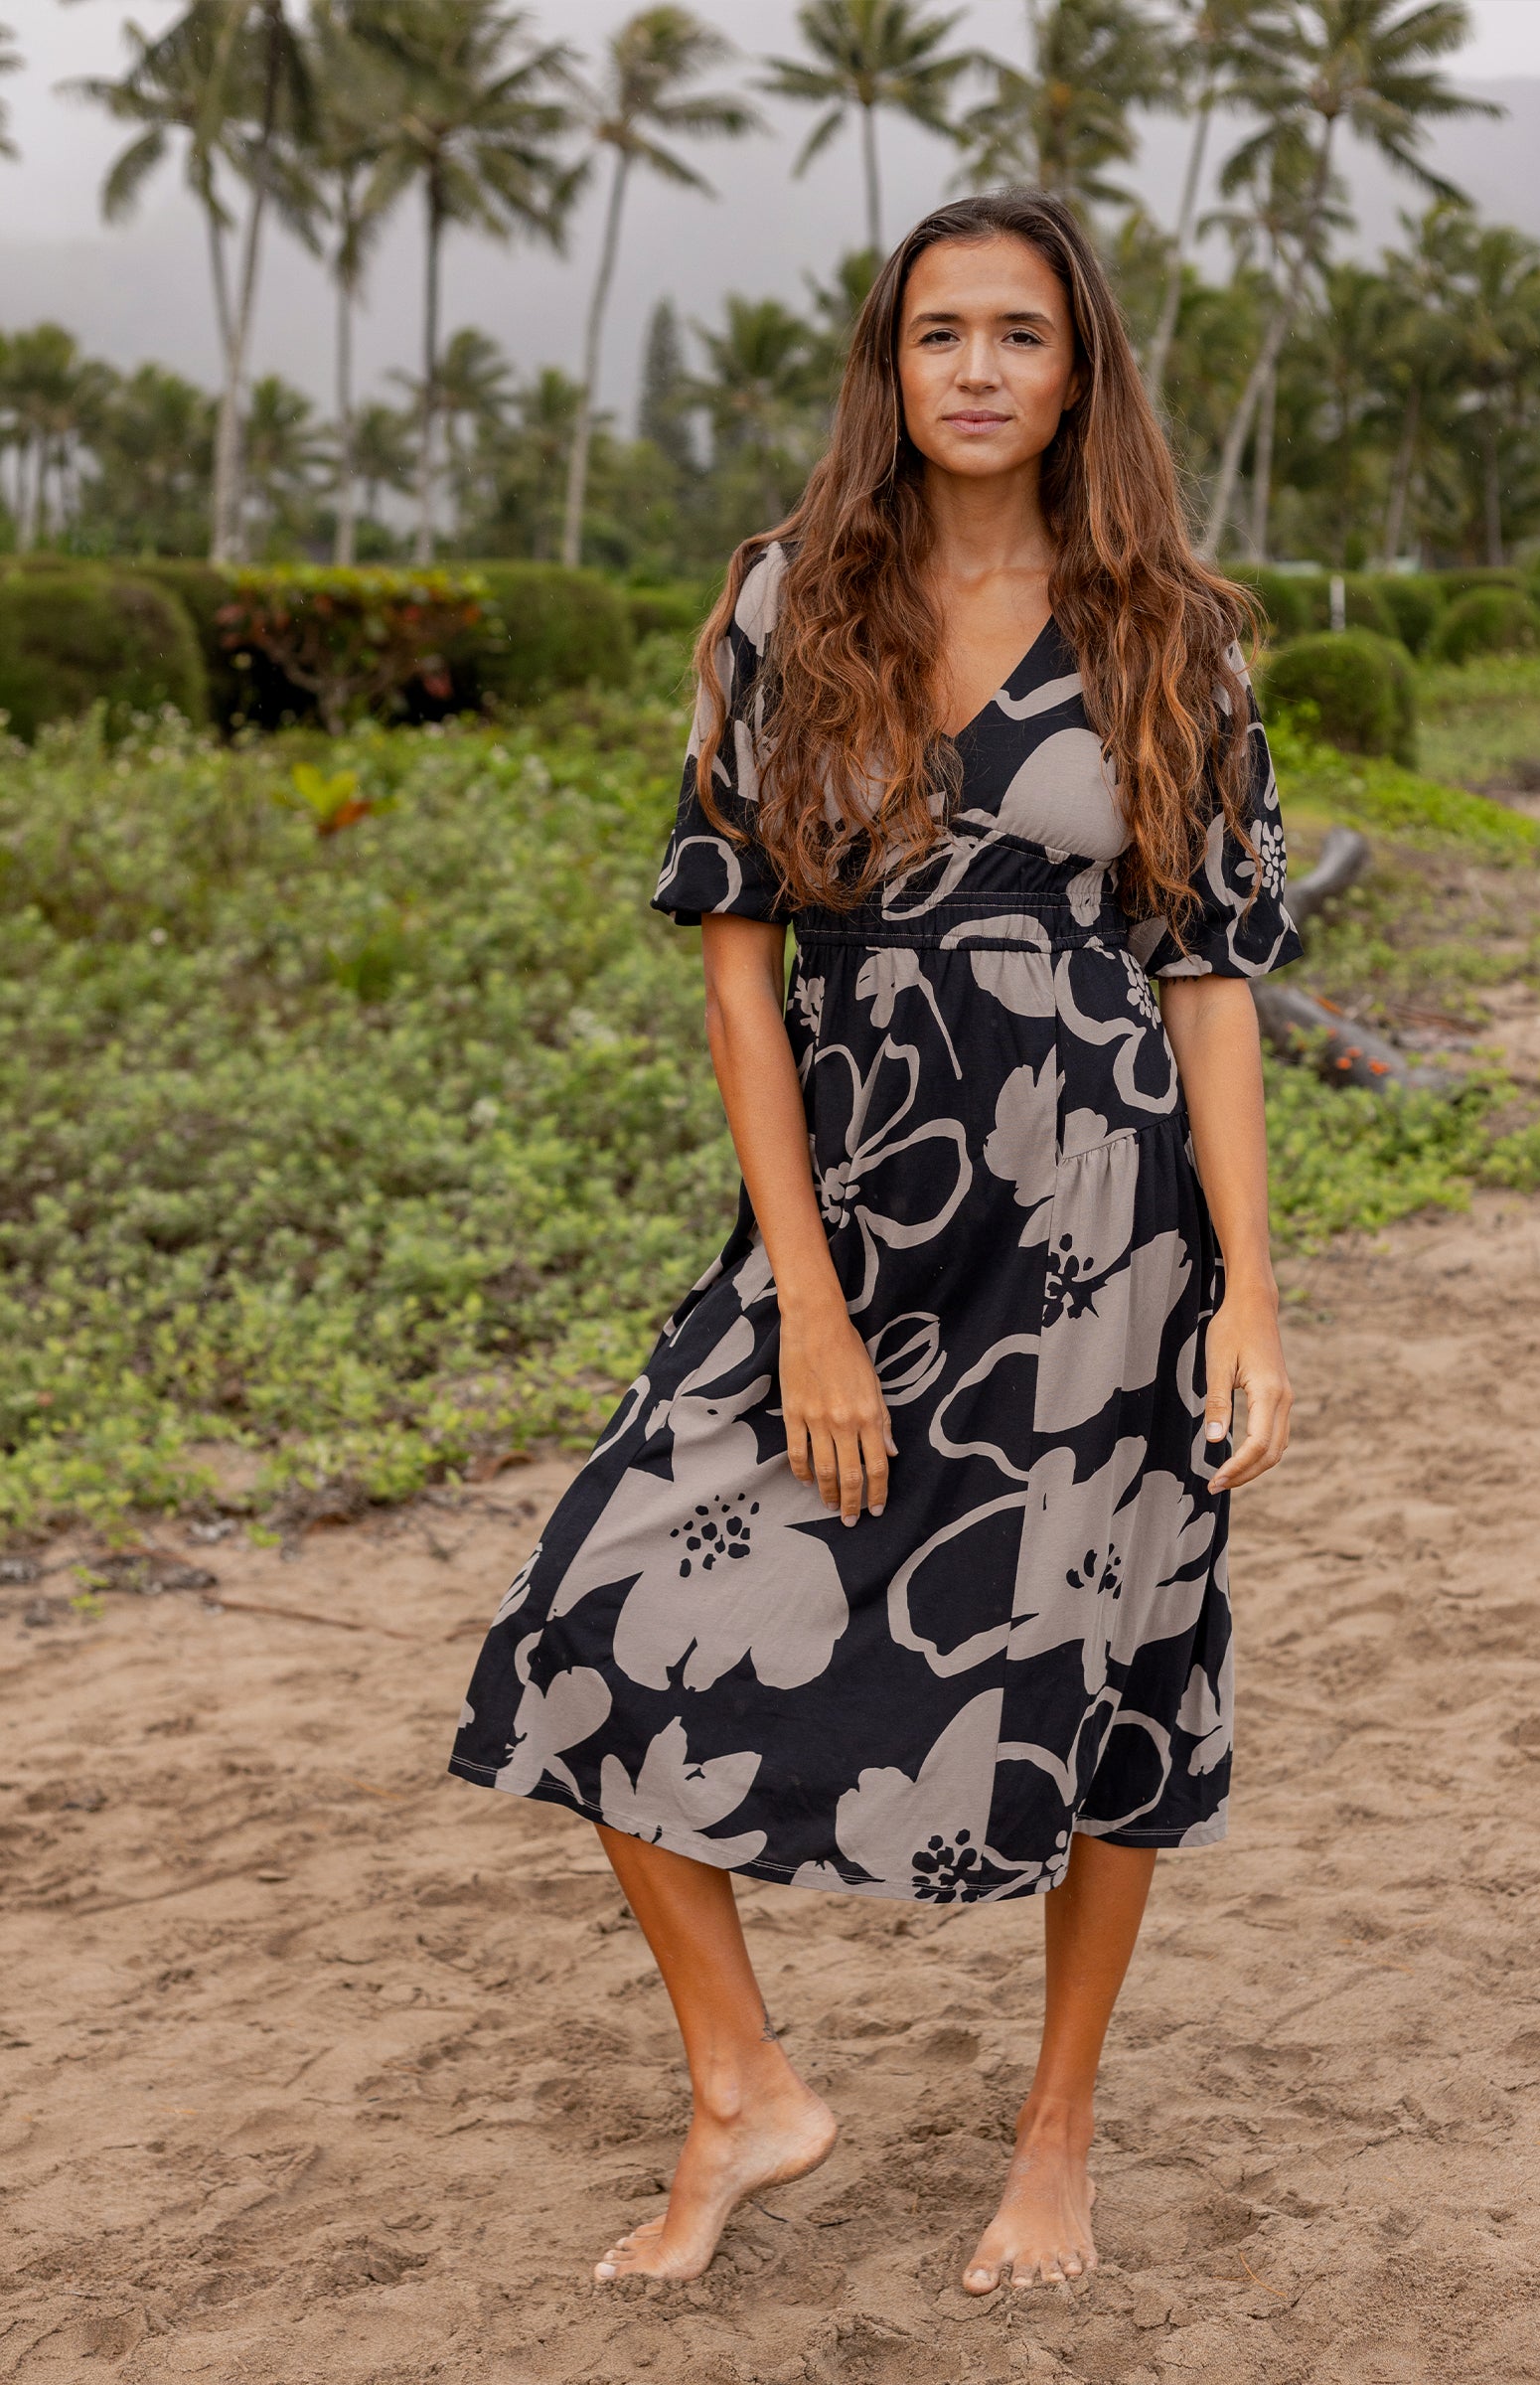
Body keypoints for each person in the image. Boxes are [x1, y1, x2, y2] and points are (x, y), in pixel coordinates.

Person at [449, 188, 1300, 2296]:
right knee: (595, 1605)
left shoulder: (1176, 626)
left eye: (1022, 332)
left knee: (1108, 1656)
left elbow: (1209, 978)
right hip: (858, 1205)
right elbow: (738, 972)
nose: (981, 369)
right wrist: (805, 1307)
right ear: (891, 366)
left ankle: (1055, 2134)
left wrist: (1257, 1298)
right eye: (941, 335)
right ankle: (748, 2088)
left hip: (1108, 1234)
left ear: (1079, 367)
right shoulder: (781, 599)